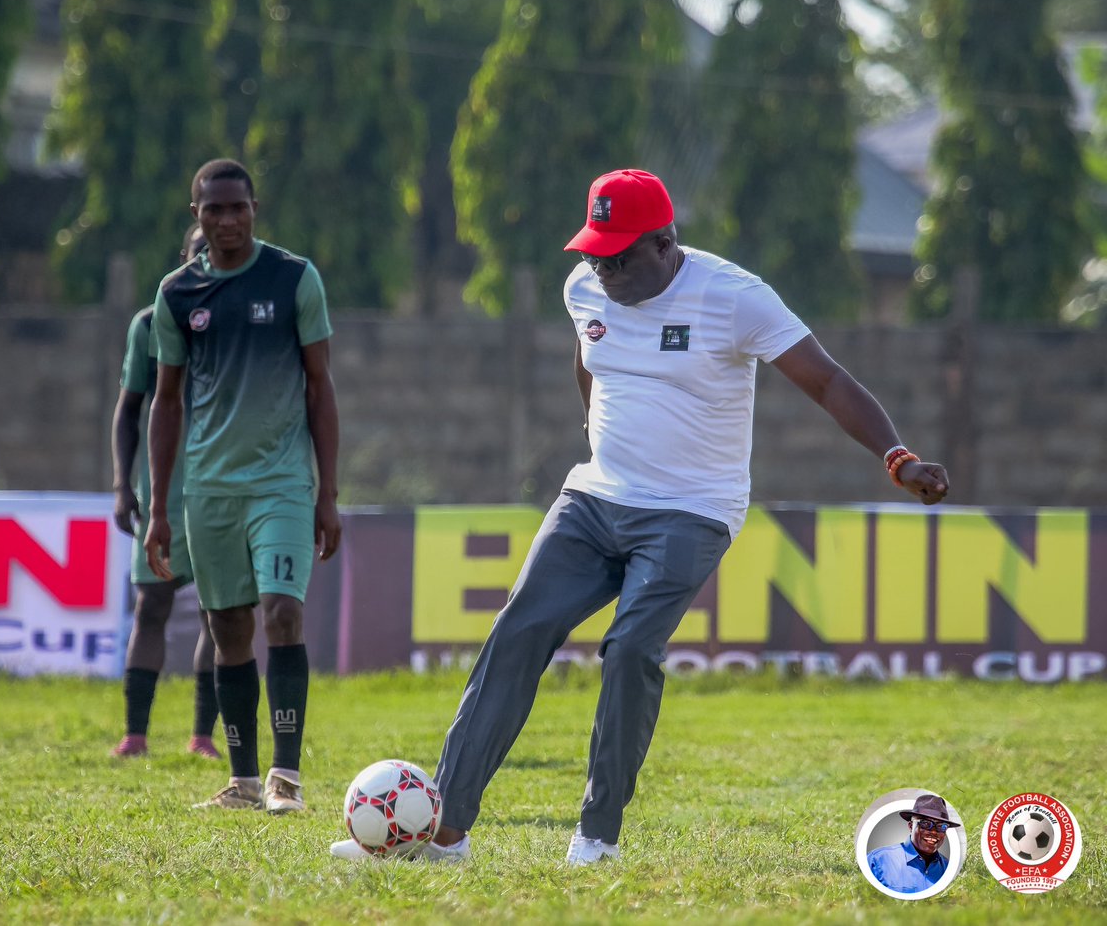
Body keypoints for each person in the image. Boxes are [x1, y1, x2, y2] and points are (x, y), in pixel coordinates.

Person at [332, 167, 949, 864]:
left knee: (628, 649)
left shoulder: (734, 297)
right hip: (595, 496)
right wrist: (602, 443)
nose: (604, 268)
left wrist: (897, 456)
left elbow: (829, 379)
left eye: (619, 255)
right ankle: (444, 830)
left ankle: (596, 838)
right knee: (517, 629)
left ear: (666, 244)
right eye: (594, 251)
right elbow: (589, 365)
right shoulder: (584, 287)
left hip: (691, 510)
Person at [144, 158, 341, 814]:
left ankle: (286, 776)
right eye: (213, 209)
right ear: (195, 214)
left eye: (238, 207)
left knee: (282, 612)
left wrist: (327, 492)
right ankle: (244, 780)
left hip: (281, 482)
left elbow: (321, 386)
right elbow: (165, 402)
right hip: (208, 490)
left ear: (255, 209)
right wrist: (159, 508)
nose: (227, 220)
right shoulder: (177, 294)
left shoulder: (293, 278)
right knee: (227, 625)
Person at [110, 223, 219, 760]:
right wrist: (121, 486)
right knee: (151, 606)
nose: (210, 261)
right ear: (184, 257)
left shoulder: (242, 323)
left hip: (227, 490)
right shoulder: (150, 323)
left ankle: (202, 736)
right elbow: (130, 408)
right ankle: (135, 734)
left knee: (220, 613)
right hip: (164, 492)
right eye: (201, 252)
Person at [868, 794, 960, 894]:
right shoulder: (878, 860)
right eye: (926, 824)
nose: (934, 832)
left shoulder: (949, 868)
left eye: (941, 826)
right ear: (911, 826)